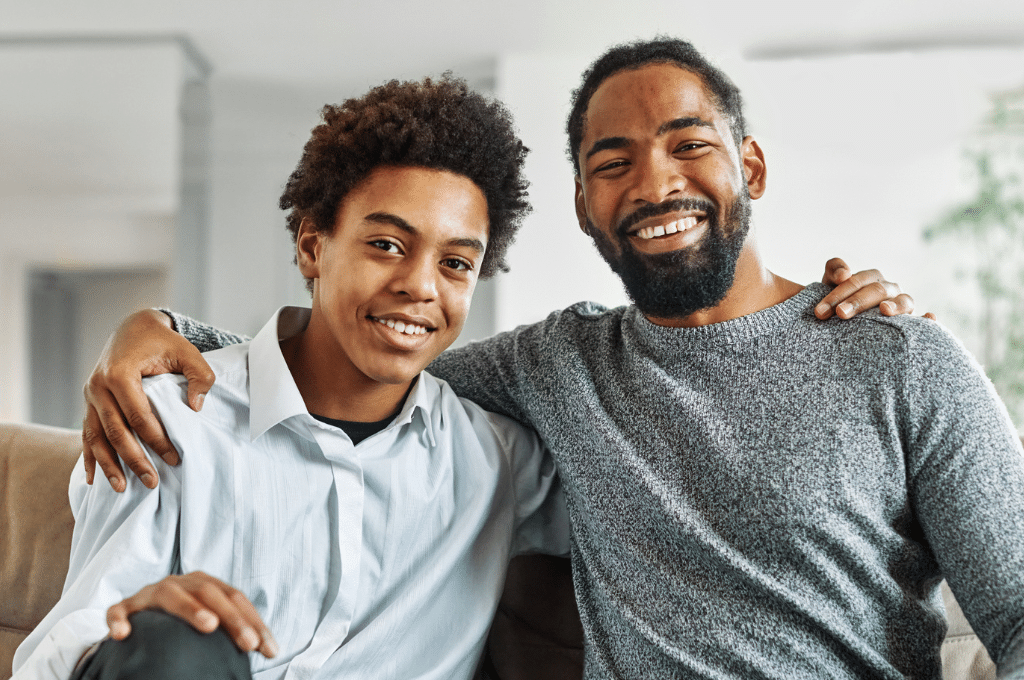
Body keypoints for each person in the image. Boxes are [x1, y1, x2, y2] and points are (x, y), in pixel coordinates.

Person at [76, 39, 984, 679]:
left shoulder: (899, 359)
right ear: (587, 207)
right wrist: (160, 330)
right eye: (613, 161)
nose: (655, 182)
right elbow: (345, 373)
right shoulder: (560, 369)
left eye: (690, 145)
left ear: (750, 165)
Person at [13, 75, 572, 680]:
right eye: (386, 244)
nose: (421, 286)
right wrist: (138, 629)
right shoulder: (170, 420)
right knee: (177, 645)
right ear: (312, 246)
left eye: (457, 263)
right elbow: (77, 634)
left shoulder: (498, 460)